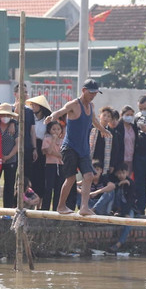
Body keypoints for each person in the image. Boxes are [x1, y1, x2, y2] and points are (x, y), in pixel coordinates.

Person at [45, 78, 111, 216]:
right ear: (84, 91)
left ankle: (84, 207)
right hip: (70, 148)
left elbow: (94, 120)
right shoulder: (74, 104)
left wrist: (102, 130)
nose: (93, 96)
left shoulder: (91, 107)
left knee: (89, 176)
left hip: (84, 149)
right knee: (71, 179)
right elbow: (61, 111)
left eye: (95, 93)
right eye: (91, 93)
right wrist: (52, 116)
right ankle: (61, 206)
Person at [27, 95, 52, 205]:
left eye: (35, 105)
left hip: (43, 148)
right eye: (32, 105)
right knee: (30, 174)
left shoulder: (47, 120)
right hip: (31, 146)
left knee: (41, 176)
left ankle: (40, 203)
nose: (32, 107)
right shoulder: (30, 117)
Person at [0, 103, 20, 208]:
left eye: (7, 115)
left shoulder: (15, 126)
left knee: (9, 186)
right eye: (3, 115)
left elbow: (18, 144)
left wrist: (8, 156)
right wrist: (0, 156)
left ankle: (7, 209)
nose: (5, 117)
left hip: (11, 160)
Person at [41, 120, 64, 211]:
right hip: (50, 165)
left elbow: (63, 155)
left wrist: (57, 154)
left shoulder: (63, 141)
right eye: (54, 129)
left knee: (59, 188)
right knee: (48, 187)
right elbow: (49, 151)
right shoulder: (47, 139)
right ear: (49, 130)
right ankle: (45, 208)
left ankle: (56, 209)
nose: (56, 131)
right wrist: (53, 140)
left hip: (60, 165)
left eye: (58, 129)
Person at [117, 105, 138, 173]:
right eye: (127, 114)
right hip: (122, 158)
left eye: (131, 115)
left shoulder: (134, 127)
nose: (129, 117)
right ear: (122, 115)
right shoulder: (119, 127)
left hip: (132, 159)